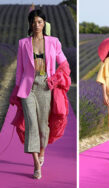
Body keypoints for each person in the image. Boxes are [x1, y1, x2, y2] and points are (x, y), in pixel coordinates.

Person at [8, 9, 70, 179]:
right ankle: (36, 164)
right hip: (28, 88)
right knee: (31, 125)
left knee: (44, 126)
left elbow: (64, 64)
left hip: (45, 86)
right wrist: (18, 90)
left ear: (44, 24)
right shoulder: (23, 44)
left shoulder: (54, 42)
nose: (36, 25)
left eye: (40, 22)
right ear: (30, 24)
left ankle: (42, 152)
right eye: (34, 22)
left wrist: (56, 78)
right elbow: (19, 70)